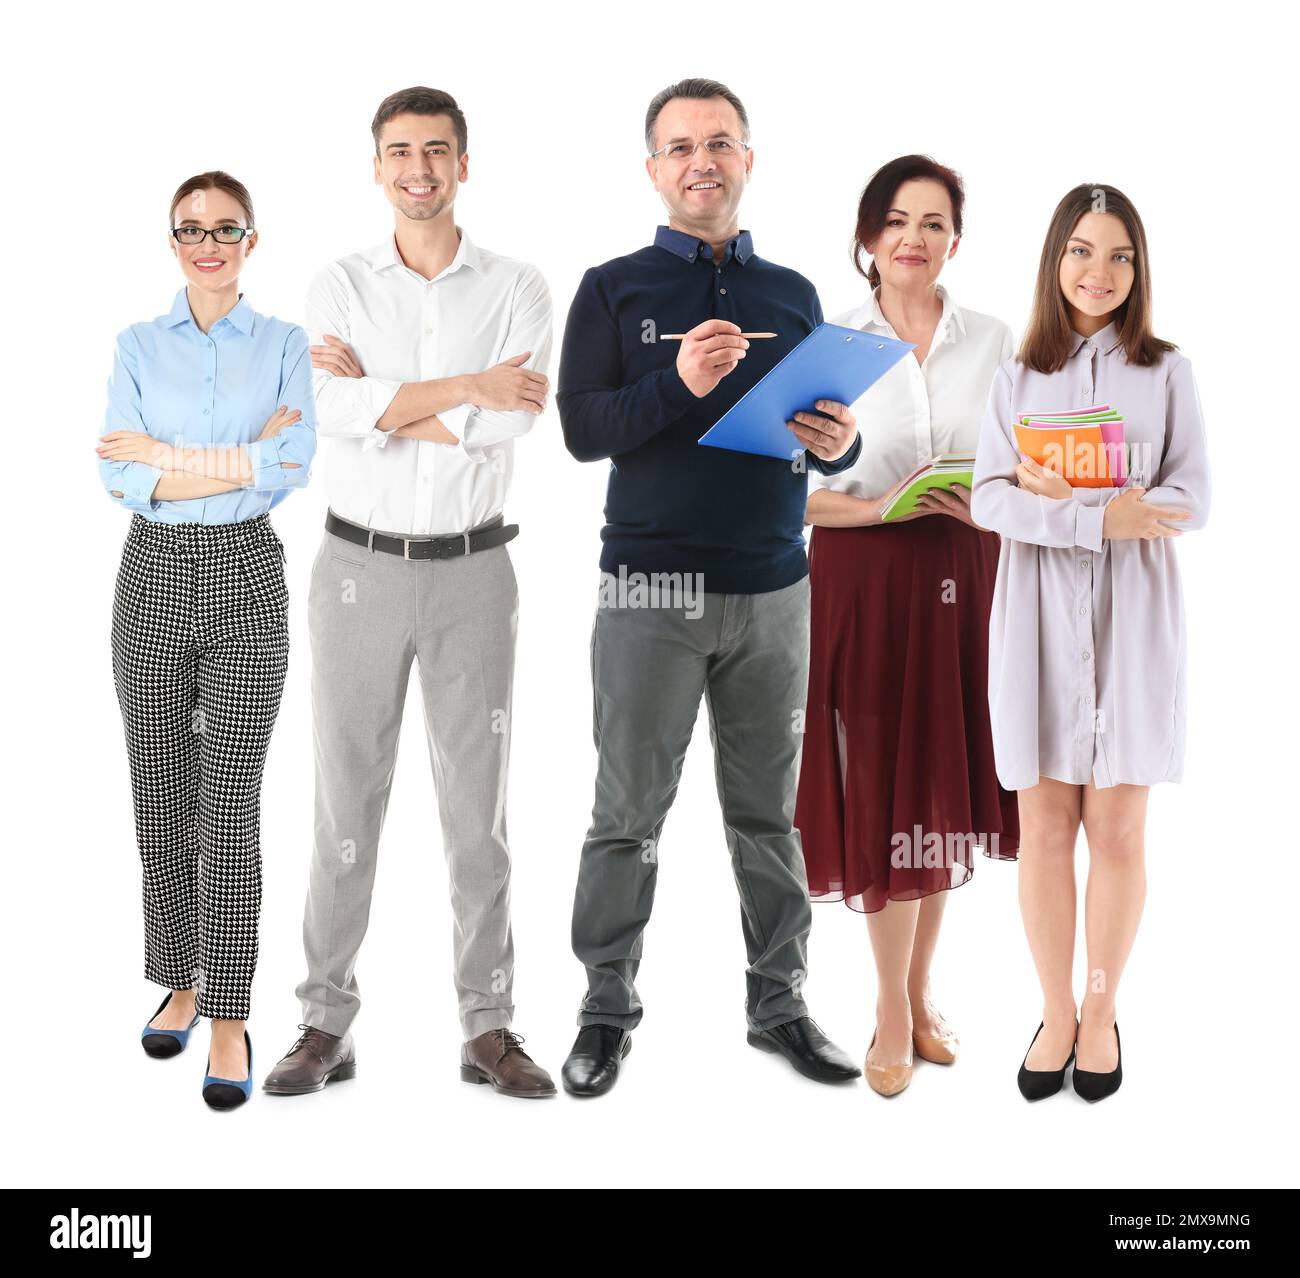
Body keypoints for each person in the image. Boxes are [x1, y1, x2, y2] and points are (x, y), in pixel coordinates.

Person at [557, 77, 863, 1097]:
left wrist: (837, 443)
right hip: (651, 589)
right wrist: (675, 385)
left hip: (776, 588)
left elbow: (811, 439)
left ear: (746, 160)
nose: (702, 161)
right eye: (681, 145)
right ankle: (605, 1006)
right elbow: (581, 431)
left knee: (767, 816)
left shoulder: (793, 296)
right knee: (627, 813)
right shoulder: (612, 288)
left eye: (720, 142)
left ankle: (779, 1006)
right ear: (655, 170)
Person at [261, 86, 556, 1101]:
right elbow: (322, 410)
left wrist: (384, 401)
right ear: (375, 167)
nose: (418, 168)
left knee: (479, 813)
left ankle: (489, 1025)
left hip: (476, 569)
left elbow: (513, 424)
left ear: (463, 164)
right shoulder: (337, 282)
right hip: (357, 570)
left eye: (436, 151)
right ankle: (320, 1021)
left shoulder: (517, 284)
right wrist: (465, 389)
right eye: (400, 152)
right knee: (346, 798)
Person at [969, 183, 1210, 1102]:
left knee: (1116, 828)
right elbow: (990, 499)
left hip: (1134, 620)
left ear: (1138, 268)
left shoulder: (1169, 373)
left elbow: (1192, 501)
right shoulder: (1015, 376)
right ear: (1053, 259)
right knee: (1043, 829)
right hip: (1031, 615)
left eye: (1118, 255)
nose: (1098, 271)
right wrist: (1098, 518)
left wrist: (1065, 505)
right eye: (1080, 250)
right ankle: (1055, 1013)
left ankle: (1102, 1012)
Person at [796, 155, 1020, 1097]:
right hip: (864, 577)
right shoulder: (826, 344)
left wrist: (991, 496)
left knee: (942, 781)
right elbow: (791, 499)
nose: (913, 239)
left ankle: (921, 995)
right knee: (884, 780)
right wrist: (888, 506)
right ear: (867, 238)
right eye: (896, 220)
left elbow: (1020, 470)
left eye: (933, 223)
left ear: (954, 241)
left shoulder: (996, 339)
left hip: (966, 575)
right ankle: (889, 1005)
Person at [97, 170, 316, 1110]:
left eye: (227, 228)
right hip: (150, 570)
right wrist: (234, 461)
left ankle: (228, 1011)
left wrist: (169, 457)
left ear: (252, 239)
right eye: (192, 229)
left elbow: (291, 466)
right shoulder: (137, 344)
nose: (209, 243)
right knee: (160, 795)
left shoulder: (286, 344)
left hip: (244, 575)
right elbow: (119, 478)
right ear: (173, 241)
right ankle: (178, 976)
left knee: (226, 804)